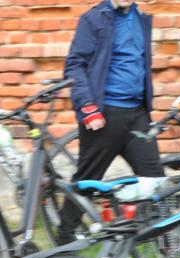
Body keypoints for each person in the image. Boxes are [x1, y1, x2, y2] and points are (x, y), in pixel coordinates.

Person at [57, 0, 164, 244]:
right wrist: (88, 107)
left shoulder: (141, 19)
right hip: (105, 115)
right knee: (87, 182)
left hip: (137, 115)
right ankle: (63, 245)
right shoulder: (93, 19)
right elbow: (75, 65)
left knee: (156, 181)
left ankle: (171, 244)